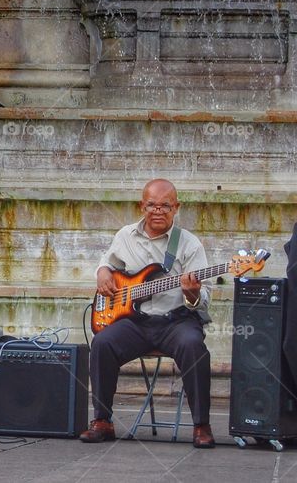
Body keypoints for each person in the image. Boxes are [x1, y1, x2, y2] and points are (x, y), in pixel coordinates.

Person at [80, 179, 216, 448]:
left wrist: (192, 293)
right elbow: (107, 263)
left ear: (176, 208)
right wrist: (102, 272)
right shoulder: (125, 236)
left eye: (165, 205)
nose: (158, 210)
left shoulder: (189, 244)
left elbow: (205, 298)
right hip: (134, 322)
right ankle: (102, 421)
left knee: (193, 345)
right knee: (103, 343)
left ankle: (201, 425)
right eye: (152, 204)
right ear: (142, 206)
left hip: (176, 322)